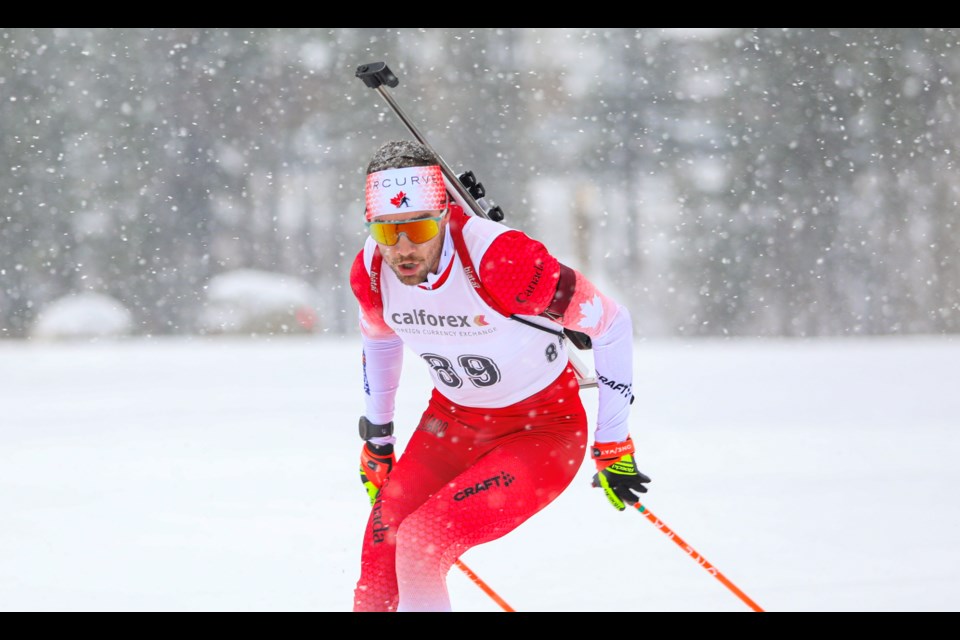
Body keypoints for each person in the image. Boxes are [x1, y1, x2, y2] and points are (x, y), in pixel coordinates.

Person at [349, 139, 650, 612]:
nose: (403, 249)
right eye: (388, 233)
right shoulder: (370, 270)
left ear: (445, 214)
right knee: (380, 558)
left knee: (421, 545)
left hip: (539, 434)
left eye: (419, 227)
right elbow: (381, 339)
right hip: (449, 428)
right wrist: (378, 441)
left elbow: (612, 324)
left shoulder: (503, 261)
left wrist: (613, 443)